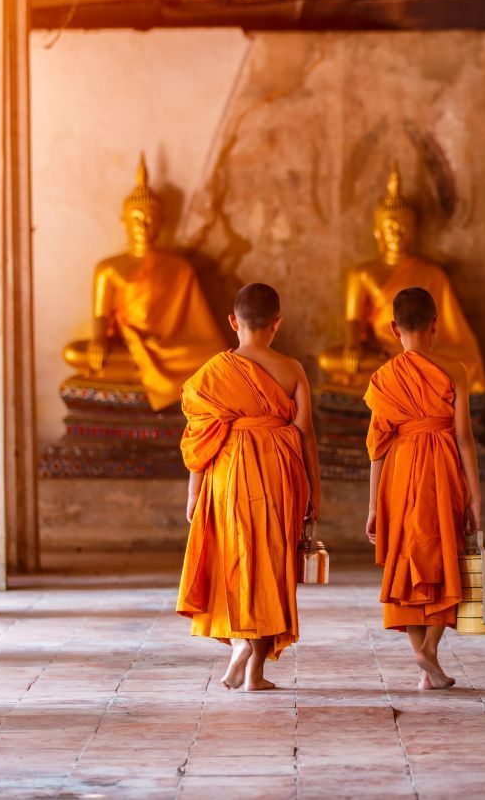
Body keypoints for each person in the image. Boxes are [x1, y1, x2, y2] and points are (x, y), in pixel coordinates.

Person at [176, 283, 321, 692]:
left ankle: (240, 641)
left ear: (232, 322)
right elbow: (306, 433)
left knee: (235, 559)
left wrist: (193, 491)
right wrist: (315, 489)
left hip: (227, 471)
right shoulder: (292, 369)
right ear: (277, 324)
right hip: (280, 472)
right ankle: (254, 670)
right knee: (271, 565)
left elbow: (199, 438)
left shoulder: (213, 373)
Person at [364, 287, 482, 691]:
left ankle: (423, 658)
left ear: (394, 328)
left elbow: (376, 446)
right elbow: (464, 437)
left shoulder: (383, 378)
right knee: (443, 553)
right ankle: (428, 651)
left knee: (407, 556)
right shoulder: (456, 370)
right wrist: (476, 495)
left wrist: (373, 505)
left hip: (398, 471)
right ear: (436, 323)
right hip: (443, 467)